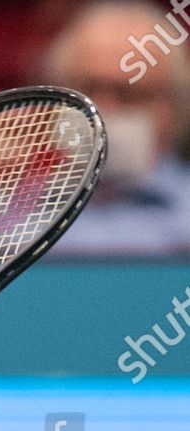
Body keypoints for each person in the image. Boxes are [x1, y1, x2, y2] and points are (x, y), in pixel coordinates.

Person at [42, 0, 190, 254]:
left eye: (129, 94)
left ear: (175, 107)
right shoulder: (0, 210)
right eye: (87, 89)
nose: (104, 110)